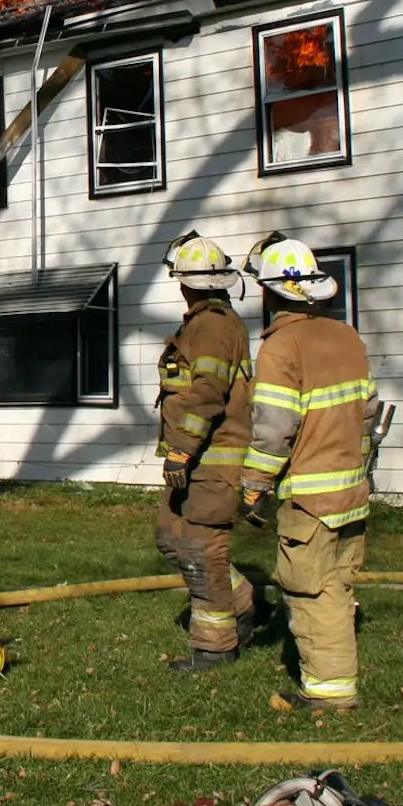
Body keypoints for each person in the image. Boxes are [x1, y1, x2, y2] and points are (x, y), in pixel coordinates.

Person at [240, 234, 382, 712]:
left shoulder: (282, 348)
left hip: (311, 498)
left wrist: (255, 484)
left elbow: (275, 428)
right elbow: (368, 411)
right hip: (352, 489)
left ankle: (328, 691)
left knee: (309, 588)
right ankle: (337, 678)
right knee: (338, 584)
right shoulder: (347, 337)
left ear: (270, 291)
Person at [153, 231, 257, 672]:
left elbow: (208, 392)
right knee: (171, 537)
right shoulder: (203, 324)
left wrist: (182, 449)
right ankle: (243, 603)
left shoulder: (213, 327)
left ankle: (215, 647)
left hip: (213, 460)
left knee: (202, 549)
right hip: (196, 459)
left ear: (186, 282)